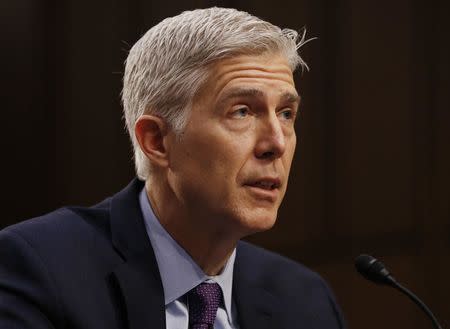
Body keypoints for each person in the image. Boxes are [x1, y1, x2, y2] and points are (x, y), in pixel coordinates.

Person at [0, 7, 346, 329]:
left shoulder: (306, 302)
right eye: (242, 111)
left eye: (286, 114)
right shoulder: (38, 270)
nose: (277, 143)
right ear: (157, 141)